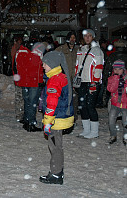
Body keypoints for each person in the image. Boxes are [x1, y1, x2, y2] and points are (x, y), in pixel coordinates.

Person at [39, 51, 74, 185]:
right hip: (60, 116)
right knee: (56, 145)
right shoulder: (59, 76)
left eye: (45, 63)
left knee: (55, 146)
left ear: (52, 64)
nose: (43, 65)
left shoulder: (55, 80)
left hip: (56, 119)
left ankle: (56, 173)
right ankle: (57, 171)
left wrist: (47, 122)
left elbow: (52, 103)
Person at [75, 29, 104, 139]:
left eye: (90, 36)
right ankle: (86, 130)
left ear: (93, 37)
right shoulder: (81, 49)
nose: (87, 38)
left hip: (92, 82)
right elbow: (77, 66)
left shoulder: (97, 51)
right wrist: (76, 78)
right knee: (82, 106)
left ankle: (94, 131)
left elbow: (99, 68)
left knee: (90, 106)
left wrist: (94, 82)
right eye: (85, 36)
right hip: (82, 81)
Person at [13, 40, 45, 132]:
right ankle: (31, 123)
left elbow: (16, 66)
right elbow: (40, 68)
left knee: (27, 102)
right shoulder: (37, 53)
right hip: (34, 82)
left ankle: (27, 121)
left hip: (24, 82)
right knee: (32, 103)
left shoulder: (20, 52)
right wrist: (40, 80)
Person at [56, 31, 79, 122]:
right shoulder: (61, 49)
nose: (72, 40)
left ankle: (73, 117)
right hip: (64, 78)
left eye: (74, 38)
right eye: (71, 38)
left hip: (75, 78)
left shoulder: (79, 49)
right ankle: (64, 116)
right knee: (64, 98)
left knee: (74, 99)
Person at [106, 60, 127, 145]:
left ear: (123, 69)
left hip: (125, 104)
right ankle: (113, 136)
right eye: (115, 69)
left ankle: (125, 137)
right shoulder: (111, 78)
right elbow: (111, 89)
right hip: (115, 104)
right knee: (111, 121)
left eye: (119, 69)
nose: (117, 71)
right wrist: (115, 78)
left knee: (125, 123)